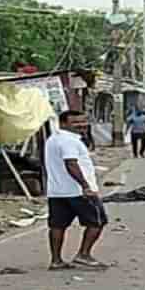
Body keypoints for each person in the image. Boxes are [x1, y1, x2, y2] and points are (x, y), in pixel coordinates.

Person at [45, 111, 109, 270]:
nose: (82, 125)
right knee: (97, 221)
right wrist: (86, 186)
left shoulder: (53, 139)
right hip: (78, 192)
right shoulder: (69, 141)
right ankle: (83, 255)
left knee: (57, 225)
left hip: (57, 191)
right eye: (76, 123)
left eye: (83, 121)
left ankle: (56, 260)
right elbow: (71, 164)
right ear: (64, 124)